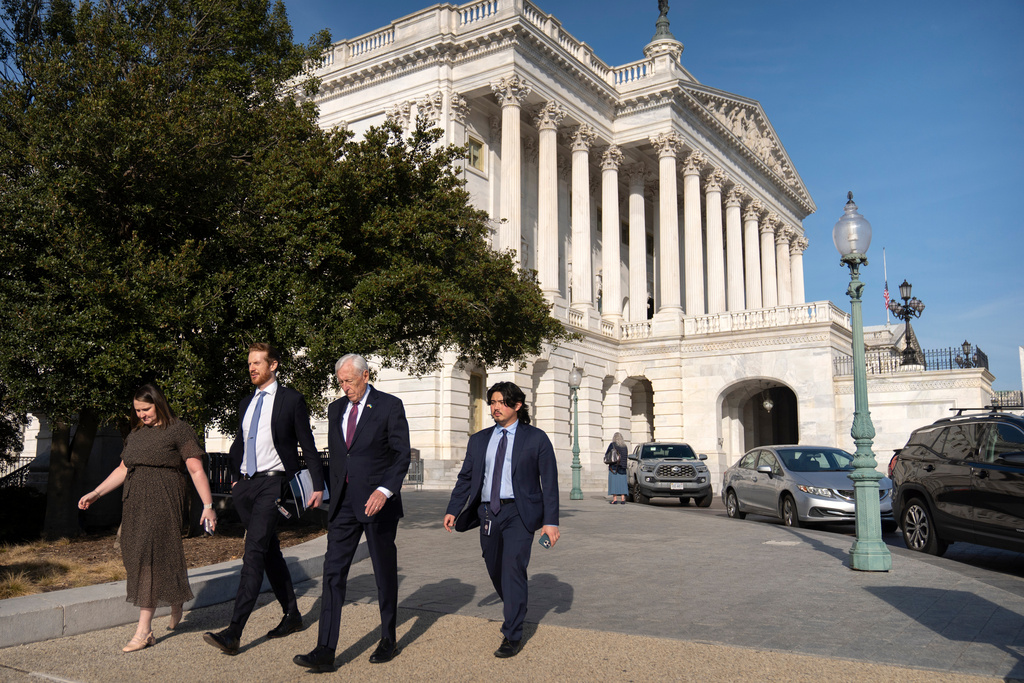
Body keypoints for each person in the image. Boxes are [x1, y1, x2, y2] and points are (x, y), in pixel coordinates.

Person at [204, 342, 325, 655]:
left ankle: (234, 631)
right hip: (245, 487)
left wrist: (317, 486)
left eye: (258, 362)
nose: (252, 368)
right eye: (249, 363)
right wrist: (234, 478)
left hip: (273, 486)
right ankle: (293, 615)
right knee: (270, 552)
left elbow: (307, 446)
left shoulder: (291, 400)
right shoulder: (246, 403)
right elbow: (240, 443)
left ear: (274, 365)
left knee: (253, 553)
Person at [293, 353, 411, 672]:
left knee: (383, 573)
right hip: (343, 505)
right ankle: (325, 649)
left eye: (349, 381)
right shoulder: (335, 410)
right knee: (333, 573)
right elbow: (339, 456)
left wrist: (384, 490)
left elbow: (401, 456)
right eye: (340, 382)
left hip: (377, 503)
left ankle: (388, 638)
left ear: (365, 376)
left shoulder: (389, 406)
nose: (345, 387)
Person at [78, 383, 217, 652]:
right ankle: (175, 599)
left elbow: (195, 468)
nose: (141, 414)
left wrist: (208, 505)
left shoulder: (178, 429)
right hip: (134, 503)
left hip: (164, 500)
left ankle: (144, 631)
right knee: (136, 556)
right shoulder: (136, 435)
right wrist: (96, 493)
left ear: (159, 403)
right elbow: (122, 468)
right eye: (137, 410)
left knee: (148, 558)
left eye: (146, 409)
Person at [443, 381, 559, 658]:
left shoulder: (536, 438)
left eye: (501, 402)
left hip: (520, 513)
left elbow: (550, 482)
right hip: (488, 512)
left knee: (512, 568)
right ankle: (516, 603)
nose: (495, 407)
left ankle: (512, 633)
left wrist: (551, 522)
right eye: (492, 402)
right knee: (495, 567)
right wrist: (453, 508)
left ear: (517, 405)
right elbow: (467, 478)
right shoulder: (479, 439)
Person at [606, 432, 629, 504]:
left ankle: (615, 499)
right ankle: (623, 499)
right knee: (623, 483)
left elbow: (607, 454)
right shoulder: (625, 446)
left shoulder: (612, 445)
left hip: (614, 467)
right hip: (623, 467)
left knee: (614, 483)